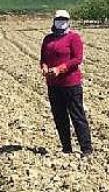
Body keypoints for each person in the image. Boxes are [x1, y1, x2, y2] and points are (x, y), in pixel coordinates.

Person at [40, 10, 93, 157]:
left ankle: (86, 148)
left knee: (77, 115)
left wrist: (60, 68)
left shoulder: (73, 38)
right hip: (53, 84)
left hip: (71, 84)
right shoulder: (48, 39)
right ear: (54, 21)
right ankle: (66, 148)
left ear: (69, 21)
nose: (61, 22)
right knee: (59, 116)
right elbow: (43, 57)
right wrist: (44, 67)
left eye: (64, 19)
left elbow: (77, 59)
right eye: (58, 19)